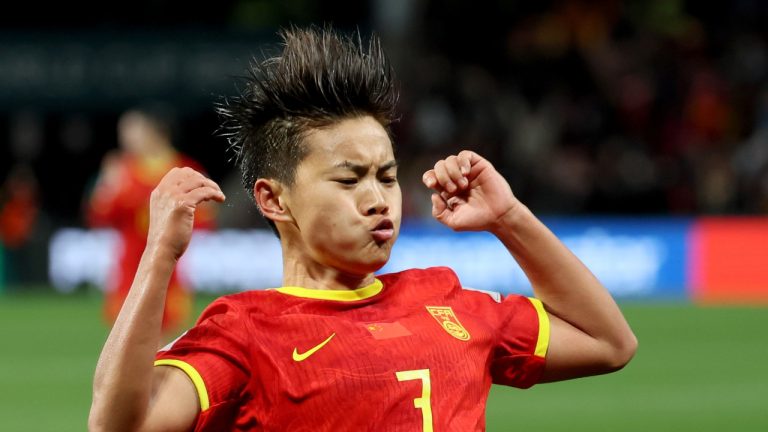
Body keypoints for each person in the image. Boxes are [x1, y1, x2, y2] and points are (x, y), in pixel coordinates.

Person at [89, 27, 637, 431]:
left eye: (388, 176)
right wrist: (159, 255)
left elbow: (609, 343)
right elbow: (119, 427)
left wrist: (510, 219)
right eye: (349, 180)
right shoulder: (242, 333)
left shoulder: (447, 302)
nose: (378, 201)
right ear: (273, 199)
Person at [86, 106, 215, 335]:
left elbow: (206, 221)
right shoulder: (122, 171)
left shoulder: (186, 170)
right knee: (128, 339)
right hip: (130, 271)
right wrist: (107, 185)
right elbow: (99, 217)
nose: (126, 138)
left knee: (165, 345)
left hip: (170, 272)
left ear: (155, 132)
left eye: (132, 130)